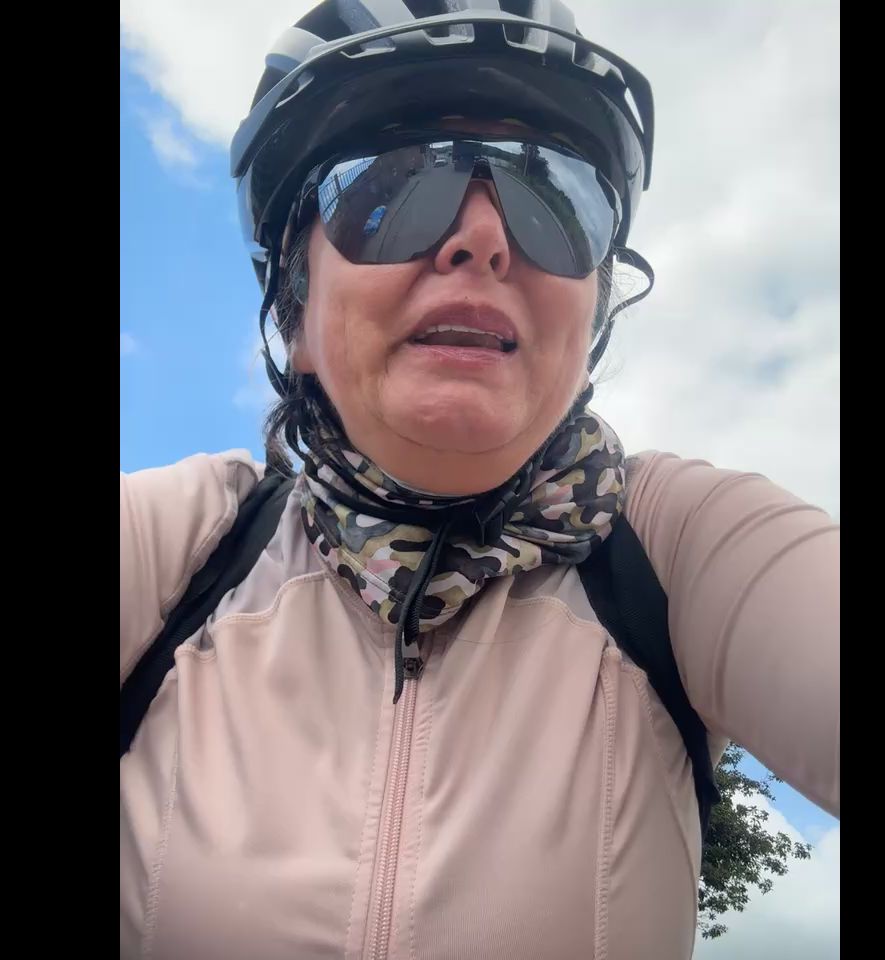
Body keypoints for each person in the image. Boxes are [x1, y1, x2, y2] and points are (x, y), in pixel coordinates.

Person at [120, 2, 839, 958]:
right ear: (295, 313)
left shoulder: (678, 549)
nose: (485, 238)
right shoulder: (179, 550)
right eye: (393, 183)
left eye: (555, 196)